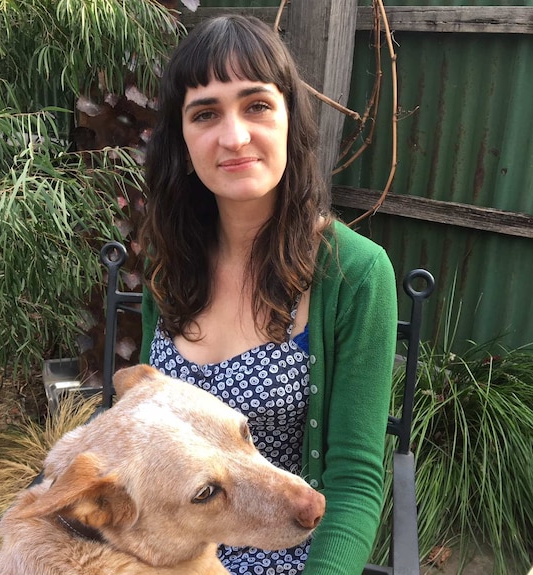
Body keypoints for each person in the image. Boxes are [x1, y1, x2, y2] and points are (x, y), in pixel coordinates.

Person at [137, 14, 398, 575]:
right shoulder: (170, 263)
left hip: (285, 553)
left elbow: (354, 483)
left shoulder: (354, 274)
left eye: (256, 105)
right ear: (182, 140)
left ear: (288, 122)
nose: (233, 136)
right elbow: (141, 426)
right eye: (205, 113)